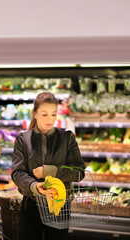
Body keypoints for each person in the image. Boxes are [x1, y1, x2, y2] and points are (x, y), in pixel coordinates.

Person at [11, 92, 86, 240]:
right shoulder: (23, 139)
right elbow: (17, 173)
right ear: (34, 113)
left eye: (53, 114)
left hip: (59, 206)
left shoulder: (67, 138)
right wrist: (34, 186)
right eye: (44, 114)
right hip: (32, 205)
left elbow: (79, 172)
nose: (50, 119)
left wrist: (51, 171)